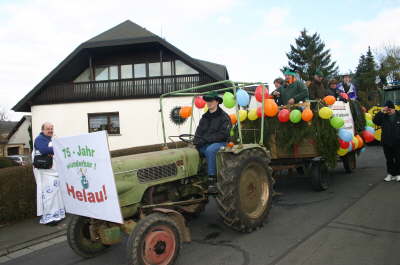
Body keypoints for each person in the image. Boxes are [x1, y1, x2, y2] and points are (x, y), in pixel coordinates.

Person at [194, 91, 231, 193]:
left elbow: (223, 134)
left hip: (222, 143)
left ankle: (212, 180)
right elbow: (199, 131)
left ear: (217, 102)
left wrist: (206, 139)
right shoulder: (204, 117)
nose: (209, 103)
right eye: (207, 101)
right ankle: (196, 177)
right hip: (206, 143)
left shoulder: (224, 117)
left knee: (210, 150)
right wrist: (196, 140)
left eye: (211, 101)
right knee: (192, 150)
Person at [33, 122, 66, 225]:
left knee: (57, 195)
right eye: (48, 129)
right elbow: (43, 150)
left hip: (55, 172)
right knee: (49, 196)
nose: (50, 130)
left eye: (52, 128)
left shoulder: (52, 138)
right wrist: (55, 149)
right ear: (43, 130)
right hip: (46, 173)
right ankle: (49, 218)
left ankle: (58, 215)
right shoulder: (39, 139)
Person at [372, 100, 400, 182]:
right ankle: (390, 174)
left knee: (398, 158)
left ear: (393, 109)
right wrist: (381, 112)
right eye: (387, 110)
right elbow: (375, 121)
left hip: (398, 142)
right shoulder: (383, 116)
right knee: (389, 159)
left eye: (389, 110)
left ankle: (398, 174)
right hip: (386, 141)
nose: (388, 111)